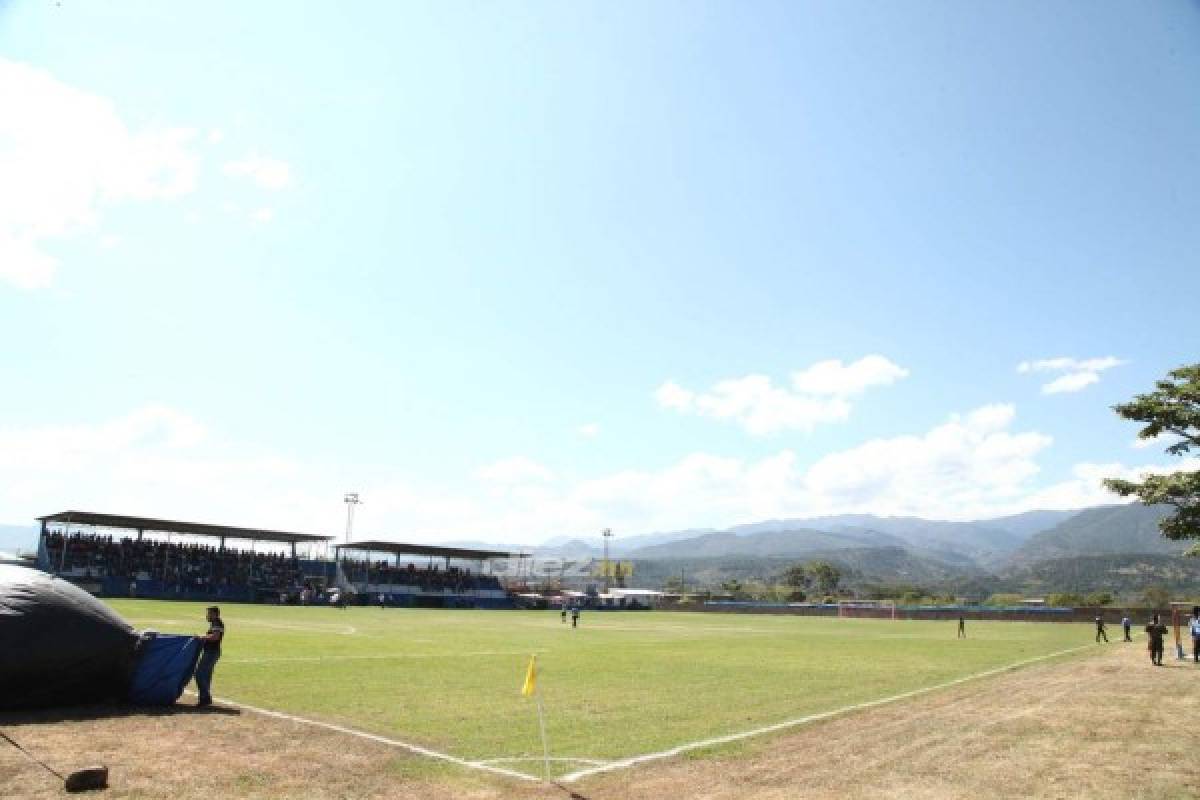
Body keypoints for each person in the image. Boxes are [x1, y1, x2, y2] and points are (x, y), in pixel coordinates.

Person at [194, 606, 224, 706]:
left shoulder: (217, 623)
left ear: (215, 614)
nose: (207, 616)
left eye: (209, 613)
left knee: (199, 674)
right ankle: (204, 698)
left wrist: (202, 637)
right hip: (212, 652)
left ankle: (205, 697)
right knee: (206, 676)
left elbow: (215, 637)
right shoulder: (215, 623)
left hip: (211, 652)